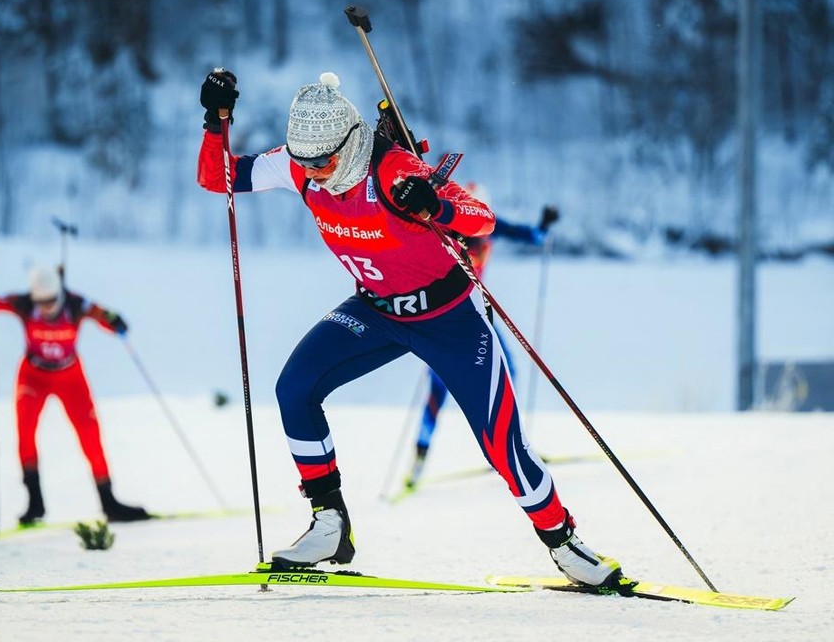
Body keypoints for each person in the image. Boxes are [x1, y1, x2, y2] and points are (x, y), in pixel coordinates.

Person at [197, 69, 630, 591]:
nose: (311, 173)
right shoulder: (300, 165)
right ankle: (330, 524)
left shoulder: (391, 168)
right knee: (294, 388)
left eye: (322, 161)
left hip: (448, 320)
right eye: (303, 162)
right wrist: (215, 123)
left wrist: (435, 204)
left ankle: (563, 543)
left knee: (501, 444)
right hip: (376, 311)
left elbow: (482, 218)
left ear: (350, 143)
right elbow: (218, 176)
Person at [0, 250, 150, 525]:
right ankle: (35, 503)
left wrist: (115, 321)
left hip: (70, 375)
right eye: (41, 303)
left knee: (90, 433)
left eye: (52, 301)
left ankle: (109, 501)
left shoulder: (75, 303)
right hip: (34, 375)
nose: (47, 308)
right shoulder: (22, 303)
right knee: (25, 434)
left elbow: (102, 313)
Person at [404, 190, 560, 489]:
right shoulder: (442, 224)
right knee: (439, 388)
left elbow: (532, 237)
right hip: (445, 316)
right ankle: (419, 459)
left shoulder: (485, 223)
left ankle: (511, 449)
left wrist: (543, 225)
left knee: (506, 374)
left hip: (477, 313)